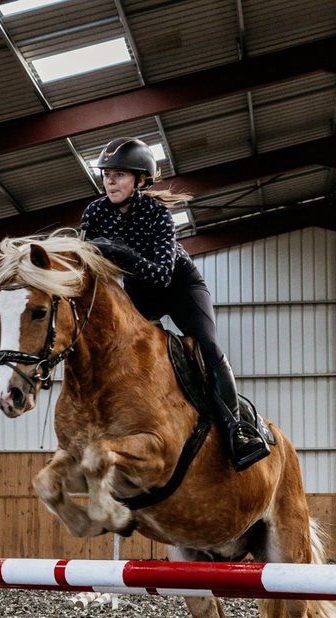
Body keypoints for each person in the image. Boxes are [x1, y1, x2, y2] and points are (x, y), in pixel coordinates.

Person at [79, 137, 270, 471]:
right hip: (137, 289)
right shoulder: (95, 212)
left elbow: (161, 275)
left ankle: (238, 431)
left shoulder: (158, 214)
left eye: (120, 175)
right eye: (107, 174)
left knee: (208, 348)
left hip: (180, 286)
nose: (110, 181)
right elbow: (87, 267)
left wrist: (121, 253)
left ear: (140, 180)